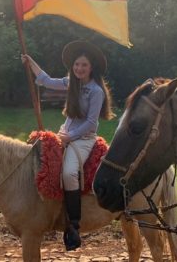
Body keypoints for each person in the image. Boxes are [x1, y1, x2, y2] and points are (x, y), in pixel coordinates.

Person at [21, 40, 114, 251]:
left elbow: (91, 122)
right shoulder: (71, 82)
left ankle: (73, 225)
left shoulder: (96, 91)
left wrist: (69, 137)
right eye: (77, 64)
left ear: (91, 68)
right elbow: (45, 80)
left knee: (69, 173)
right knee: (39, 159)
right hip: (65, 134)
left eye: (84, 65)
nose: (79, 68)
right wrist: (30, 62)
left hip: (83, 139)